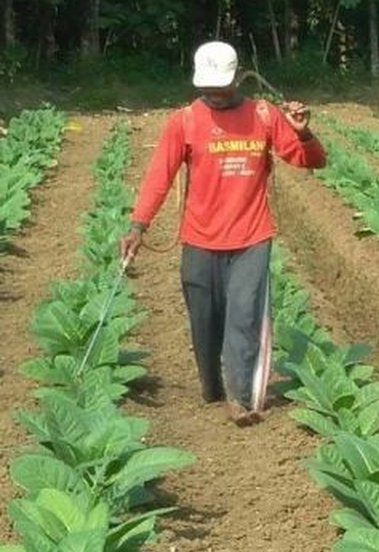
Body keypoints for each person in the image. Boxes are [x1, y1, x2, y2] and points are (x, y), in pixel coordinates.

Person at [121, 40, 326, 426]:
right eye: (207, 89)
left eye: (220, 87)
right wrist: (138, 225)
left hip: (252, 238)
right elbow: (157, 177)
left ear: (236, 78)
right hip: (199, 241)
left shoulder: (264, 116)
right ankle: (212, 387)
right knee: (205, 322)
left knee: (244, 317)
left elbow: (310, 161)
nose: (214, 95)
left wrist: (303, 133)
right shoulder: (184, 121)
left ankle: (241, 396)